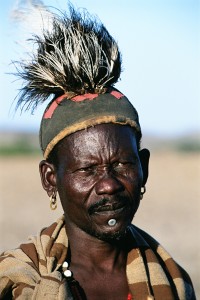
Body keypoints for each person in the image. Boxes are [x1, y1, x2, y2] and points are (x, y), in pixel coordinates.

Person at [0, 5, 196, 300]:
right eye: (87, 170)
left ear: (144, 167)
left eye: (122, 164)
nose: (109, 185)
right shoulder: (14, 282)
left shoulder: (174, 282)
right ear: (50, 179)